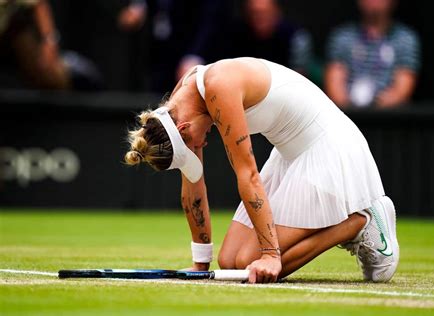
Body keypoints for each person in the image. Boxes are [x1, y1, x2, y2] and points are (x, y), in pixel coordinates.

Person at [124, 57, 399, 283]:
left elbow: (248, 175)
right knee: (230, 262)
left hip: (328, 147)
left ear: (183, 130)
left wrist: (270, 254)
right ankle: (350, 223)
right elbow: (193, 184)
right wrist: (200, 263)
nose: (202, 145)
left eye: (193, 144)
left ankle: (358, 222)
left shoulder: (219, 89)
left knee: (248, 265)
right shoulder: (179, 108)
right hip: (290, 154)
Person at [118, 0, 230, 93]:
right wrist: (139, 7)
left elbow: (212, 18)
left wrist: (195, 54)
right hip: (159, 53)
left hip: (193, 50)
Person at [325, 0, 420, 108]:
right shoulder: (342, 37)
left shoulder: (405, 38)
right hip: (346, 116)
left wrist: (376, 109)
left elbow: (402, 90)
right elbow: (335, 88)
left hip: (388, 117)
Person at [225, 0, 322, 84]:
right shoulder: (237, 35)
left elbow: (298, 79)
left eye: (264, 13)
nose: (259, 19)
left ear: (276, 12)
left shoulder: (295, 37)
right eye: (254, 13)